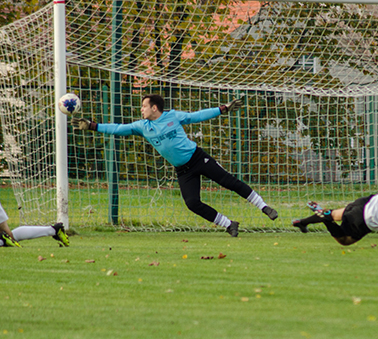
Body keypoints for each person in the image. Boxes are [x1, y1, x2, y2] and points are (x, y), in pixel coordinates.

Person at [72, 94, 278, 236]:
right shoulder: (142, 126)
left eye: (144, 106)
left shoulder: (173, 116)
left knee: (229, 182)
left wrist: (222, 109)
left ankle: (264, 206)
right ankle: (228, 224)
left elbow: (197, 116)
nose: (141, 109)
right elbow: (118, 128)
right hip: (183, 170)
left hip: (198, 158)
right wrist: (92, 125)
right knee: (192, 203)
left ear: (154, 107)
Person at [291, 187, 378, 245]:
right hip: (367, 218)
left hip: (367, 201)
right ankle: (326, 220)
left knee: (337, 214)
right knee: (345, 240)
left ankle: (303, 222)